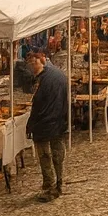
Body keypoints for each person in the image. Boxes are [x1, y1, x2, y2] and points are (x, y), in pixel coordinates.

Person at [26, 51, 69, 202]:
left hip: (45, 123)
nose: (32, 67)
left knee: (45, 155)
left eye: (33, 63)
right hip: (59, 121)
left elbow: (37, 105)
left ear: (40, 60)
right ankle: (59, 183)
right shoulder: (59, 75)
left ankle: (50, 186)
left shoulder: (44, 79)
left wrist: (30, 124)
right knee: (58, 154)